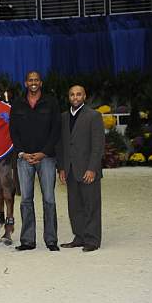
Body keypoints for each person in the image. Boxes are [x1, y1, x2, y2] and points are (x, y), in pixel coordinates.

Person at [9, 71, 61, 252]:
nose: (33, 83)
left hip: (46, 158)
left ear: (41, 82)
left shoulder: (51, 102)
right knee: (26, 200)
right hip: (24, 159)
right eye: (30, 80)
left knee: (49, 199)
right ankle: (28, 240)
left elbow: (56, 130)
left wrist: (43, 152)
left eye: (36, 80)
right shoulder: (17, 103)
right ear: (25, 83)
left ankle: (51, 240)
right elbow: (13, 131)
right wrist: (22, 153)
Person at [57, 85, 104, 252]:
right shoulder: (63, 117)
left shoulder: (94, 116)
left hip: (87, 169)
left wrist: (92, 168)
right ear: (68, 97)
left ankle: (92, 239)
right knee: (74, 206)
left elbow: (98, 146)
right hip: (70, 170)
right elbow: (61, 145)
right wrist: (61, 168)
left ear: (84, 96)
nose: (75, 97)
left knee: (91, 204)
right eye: (72, 95)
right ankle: (79, 236)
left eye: (78, 94)